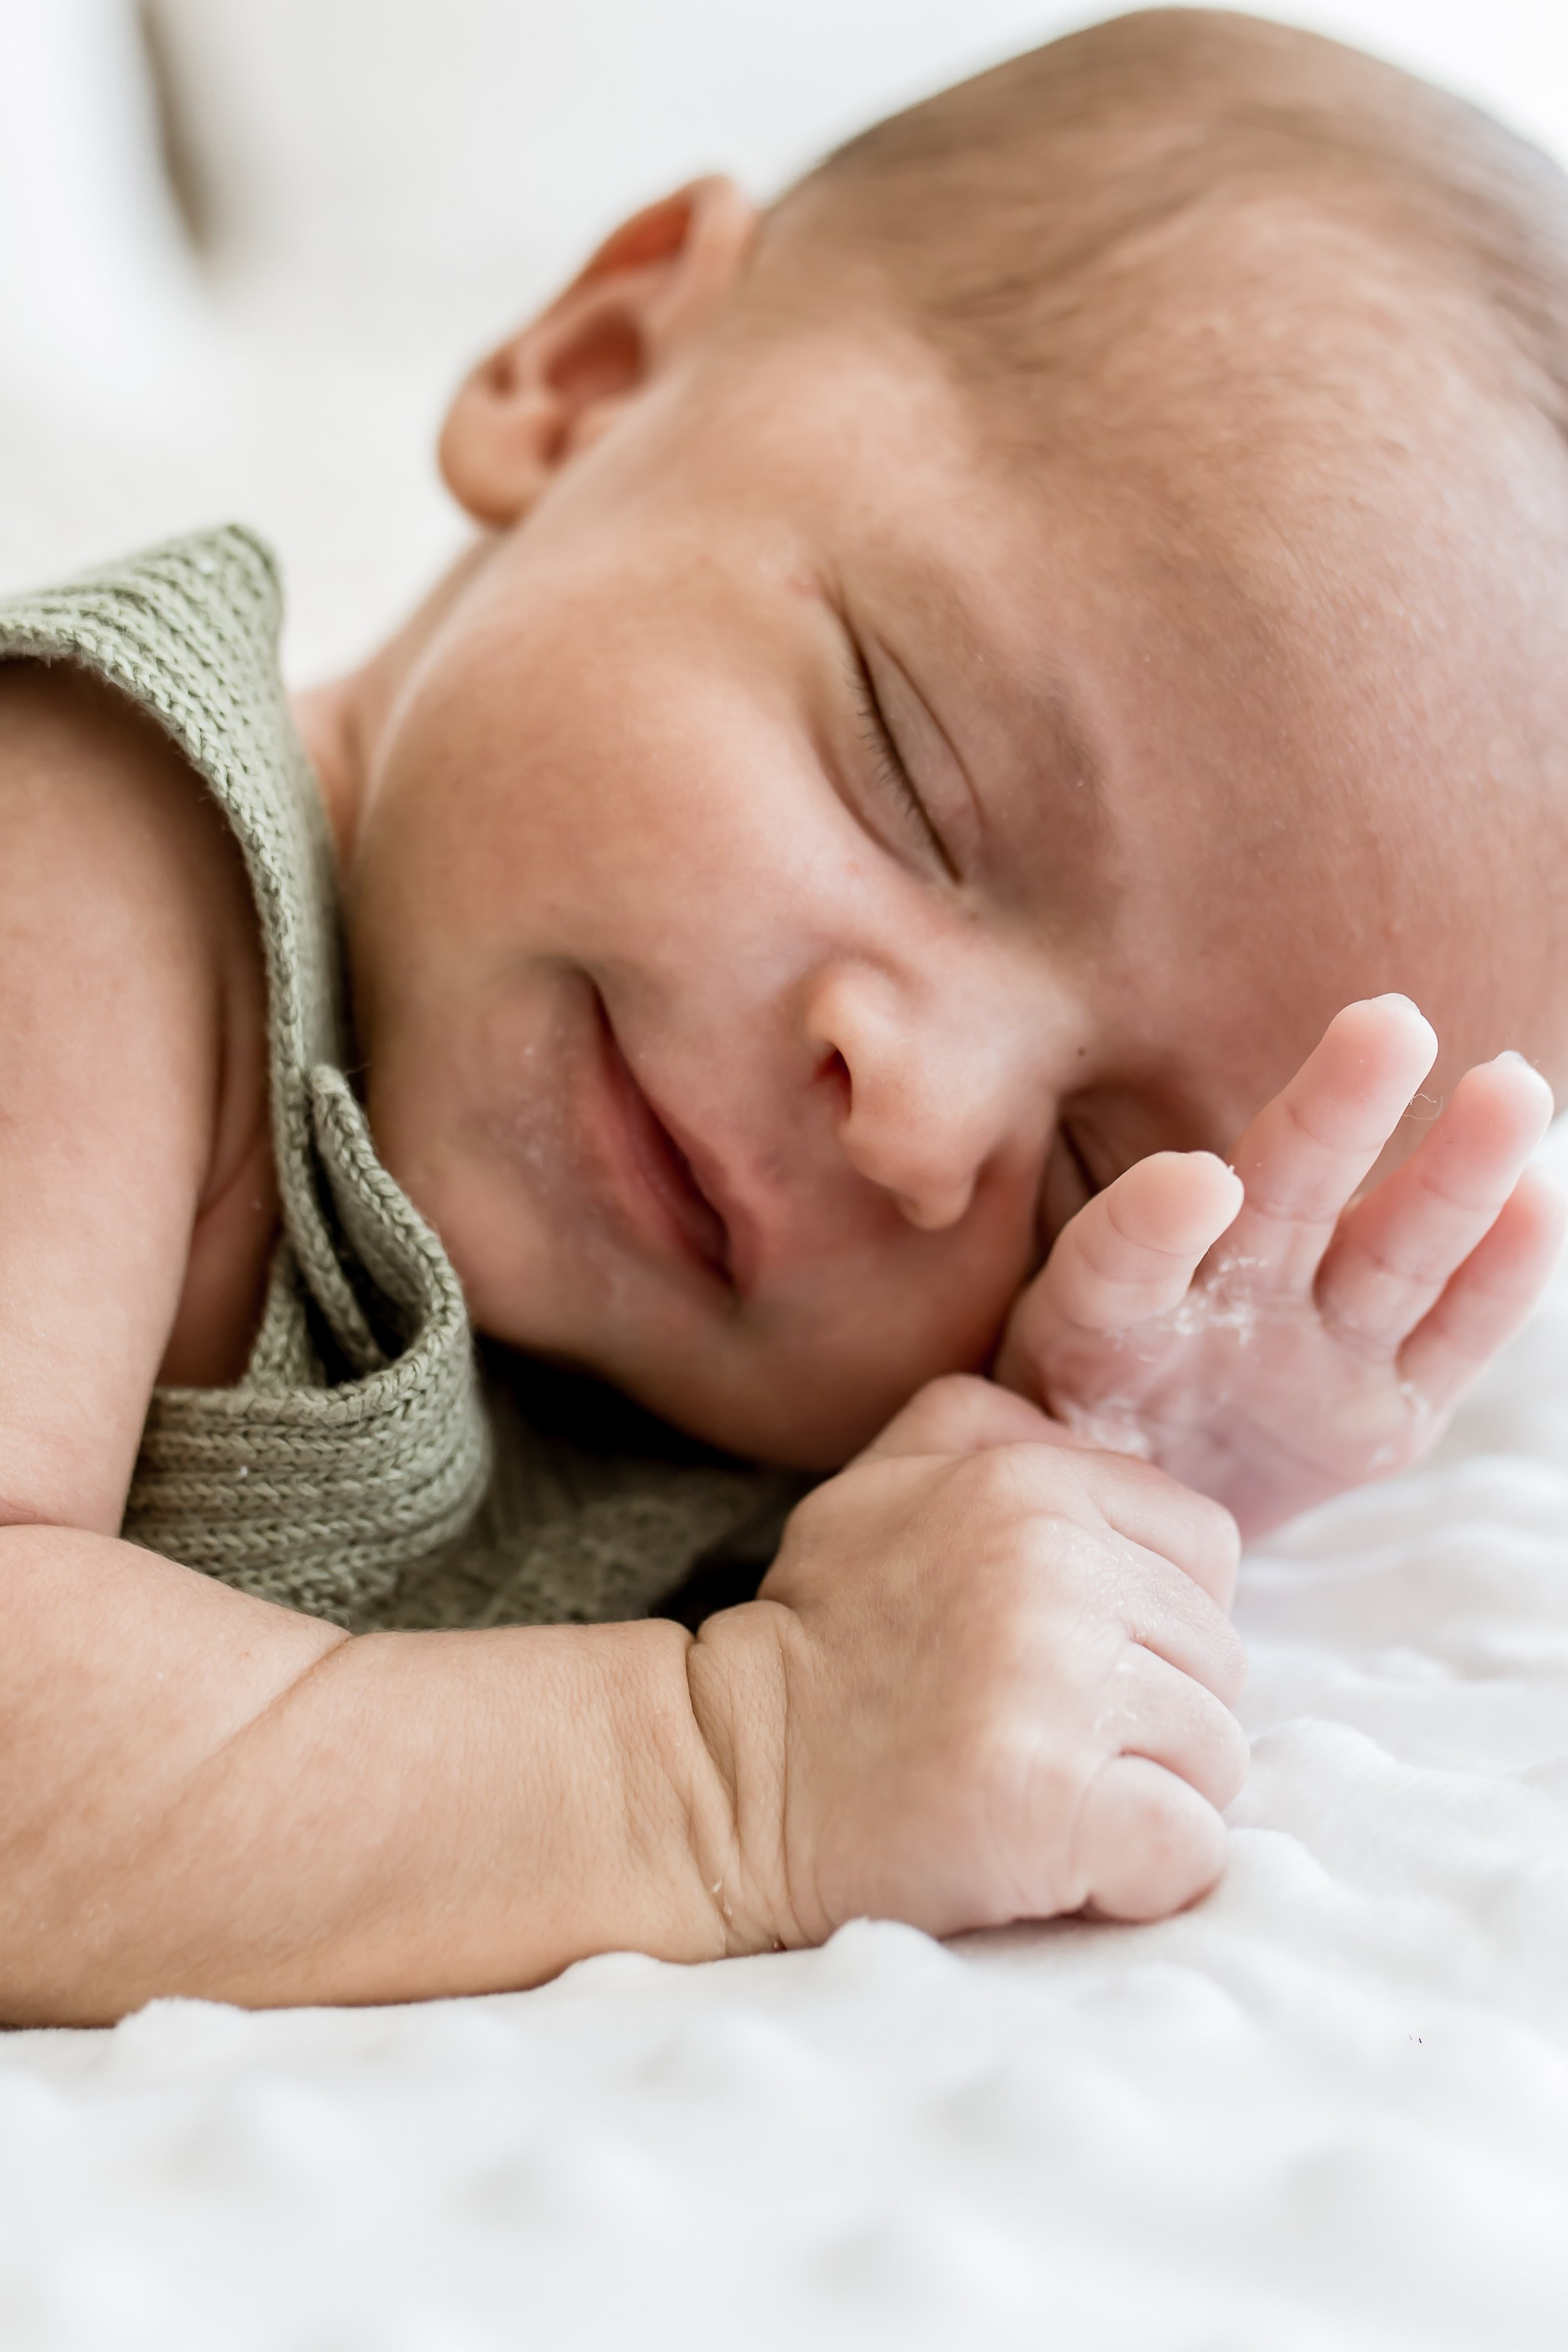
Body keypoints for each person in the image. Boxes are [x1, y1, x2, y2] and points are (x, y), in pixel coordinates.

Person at [1, 7, 1564, 2024]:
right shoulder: (91, 854)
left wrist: (1089, 1463)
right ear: (590, 373)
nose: (920, 1118)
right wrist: (731, 1772)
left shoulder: (728, 1367)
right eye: (914, 780)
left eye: (1097, 1176)